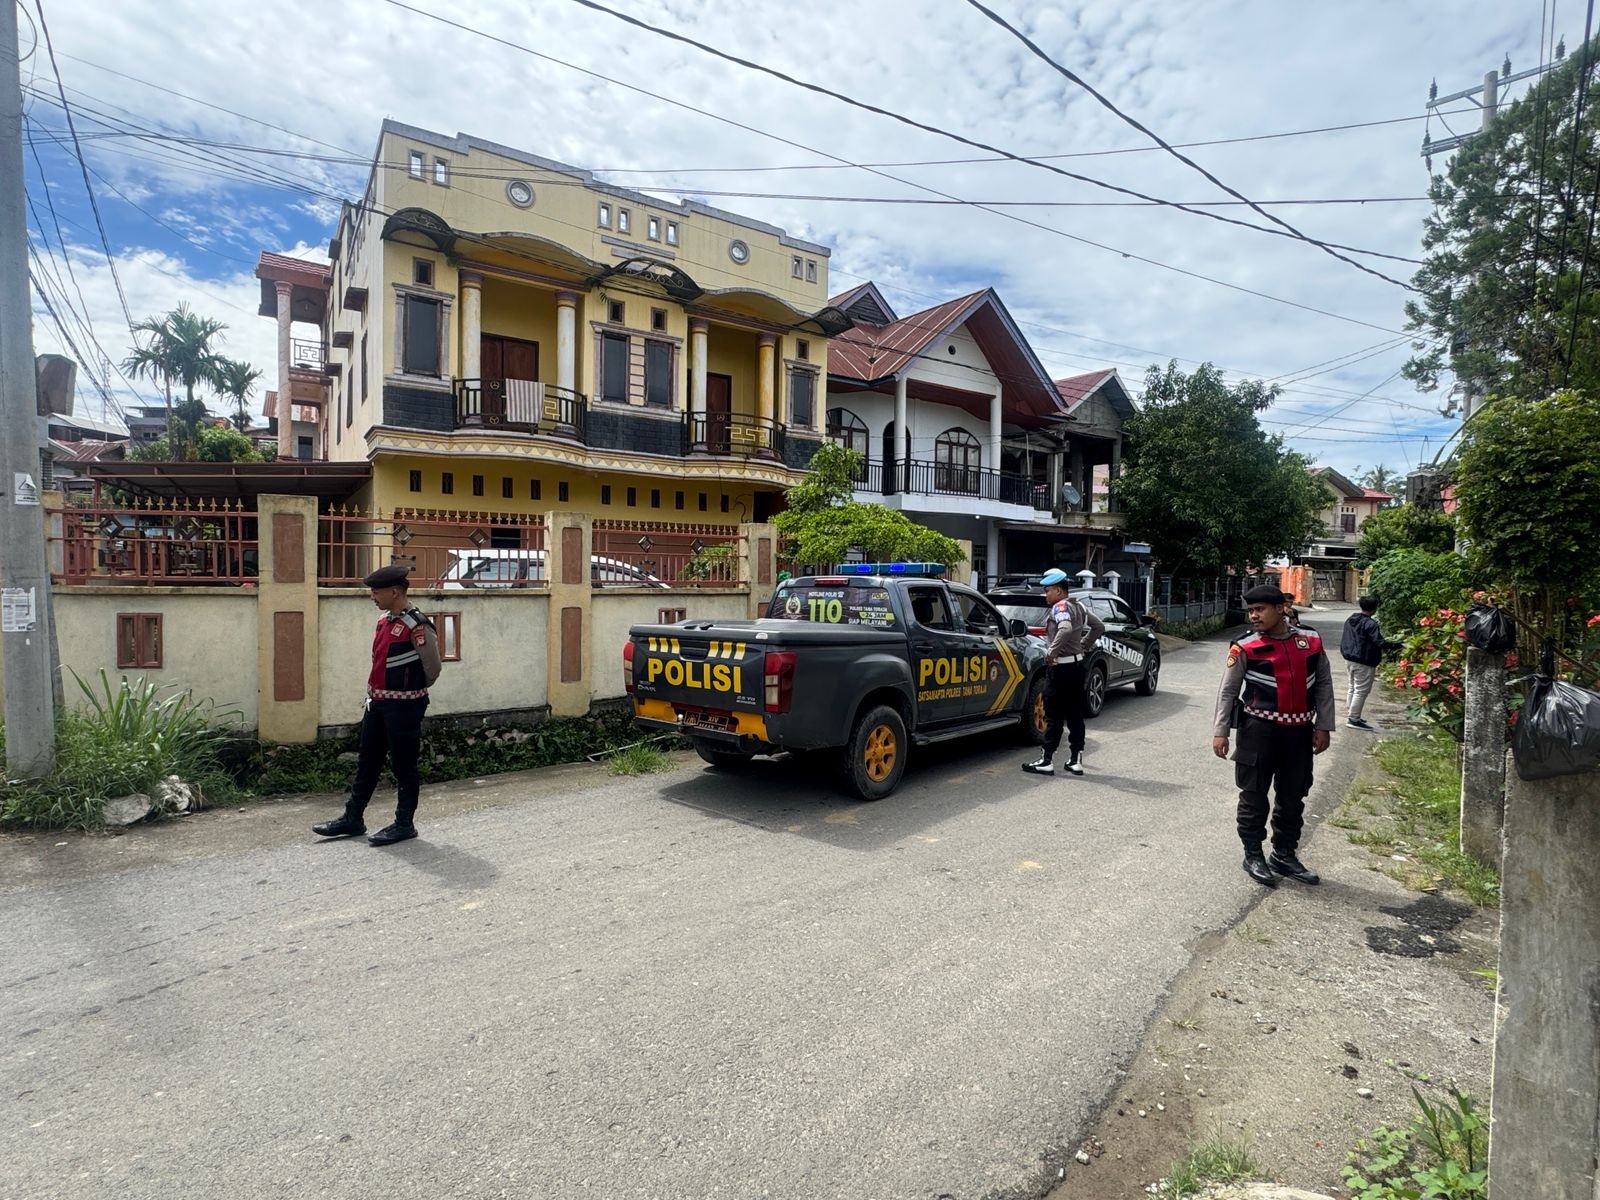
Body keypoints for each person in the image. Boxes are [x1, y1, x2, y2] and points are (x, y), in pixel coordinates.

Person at [1212, 583, 1335, 887]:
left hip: (1299, 733)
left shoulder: (1311, 640)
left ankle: (1284, 854)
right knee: (1254, 795)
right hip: (1258, 732)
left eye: (1260, 610)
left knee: (1293, 795)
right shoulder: (1245, 646)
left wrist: (1324, 726)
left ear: (1281, 608)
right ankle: (1253, 853)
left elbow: (1323, 684)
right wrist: (1221, 731)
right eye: (1250, 610)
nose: (1253, 616)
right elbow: (1228, 691)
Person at [312, 564, 442, 846]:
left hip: (405, 707)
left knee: (403, 765)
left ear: (395, 592)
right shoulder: (385, 621)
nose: (372, 596)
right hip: (378, 704)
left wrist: (408, 692)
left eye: (376, 591)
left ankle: (404, 823)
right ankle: (353, 818)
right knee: (367, 761)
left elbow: (432, 668)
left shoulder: (416, 625)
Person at [1023, 568, 1106, 777]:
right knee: (1076, 715)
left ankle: (1047, 760)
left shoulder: (1060, 607)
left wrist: (1052, 652)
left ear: (1059, 591)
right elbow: (1099, 626)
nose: (1045, 594)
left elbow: (1066, 628)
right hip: (1077, 667)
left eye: (1048, 590)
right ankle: (1075, 760)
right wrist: (1084, 644)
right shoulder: (1079, 607)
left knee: (1054, 715)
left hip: (1060, 669)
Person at [1339, 595, 1400, 730]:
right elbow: (1379, 642)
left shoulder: (1351, 619)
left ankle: (1352, 714)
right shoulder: (1371, 624)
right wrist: (1397, 645)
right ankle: (1353, 719)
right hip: (1364, 660)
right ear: (1374, 609)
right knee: (1361, 691)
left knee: (1352, 687)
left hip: (1350, 658)